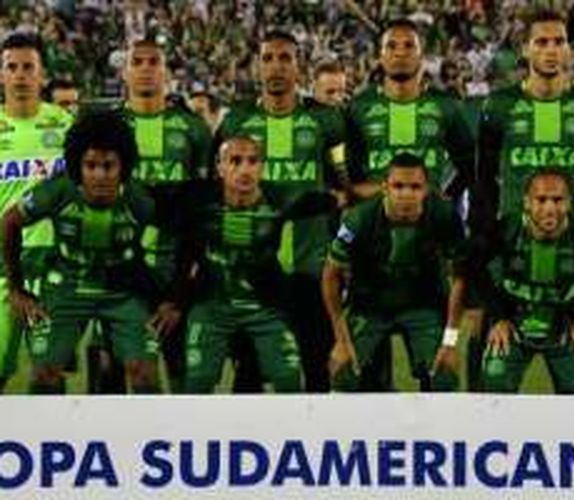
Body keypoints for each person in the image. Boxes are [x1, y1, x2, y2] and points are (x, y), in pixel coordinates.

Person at [471, 9, 574, 387]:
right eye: (542, 42)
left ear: (569, 50)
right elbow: (483, 182)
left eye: (559, 42)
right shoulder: (498, 106)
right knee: (482, 383)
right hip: (509, 258)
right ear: (525, 49)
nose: (551, 50)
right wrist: (484, 236)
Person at [216, 30, 350, 393]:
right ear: (257, 67)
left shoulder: (328, 121)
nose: (276, 66)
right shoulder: (235, 122)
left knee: (316, 367)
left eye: (285, 58)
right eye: (268, 58)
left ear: (299, 66)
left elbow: (346, 190)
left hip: (313, 267)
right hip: (251, 269)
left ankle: (315, 446)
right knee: (249, 371)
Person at [1, 110, 166, 394]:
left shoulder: (139, 199)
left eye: (108, 166)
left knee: (144, 373)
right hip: (67, 287)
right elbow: (10, 222)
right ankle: (49, 436)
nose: (100, 175)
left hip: (123, 290)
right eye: (90, 165)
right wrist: (17, 288)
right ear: (78, 165)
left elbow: (181, 234)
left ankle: (149, 436)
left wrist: (171, 298)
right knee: (45, 372)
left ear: (123, 166)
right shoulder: (58, 190)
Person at [84, 38, 214, 395]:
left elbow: (202, 212)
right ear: (124, 72)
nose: (145, 69)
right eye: (137, 62)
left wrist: (186, 284)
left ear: (166, 72)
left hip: (175, 272)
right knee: (112, 369)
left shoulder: (193, 129)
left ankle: (180, 443)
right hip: (117, 269)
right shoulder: (106, 127)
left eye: (153, 62)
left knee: (180, 368)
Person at [180, 135, 338, 393]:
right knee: (198, 382)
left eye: (253, 161)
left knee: (288, 380)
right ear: (219, 167)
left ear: (262, 167)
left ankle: (288, 432)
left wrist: (338, 202)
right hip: (212, 307)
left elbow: (328, 204)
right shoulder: (199, 202)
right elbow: (183, 248)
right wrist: (176, 300)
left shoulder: (280, 199)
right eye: (235, 161)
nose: (245, 169)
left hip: (265, 307)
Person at [323, 153, 467, 392]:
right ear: (385, 188)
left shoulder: (445, 215)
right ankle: (355, 428)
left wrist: (450, 342)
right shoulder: (359, 219)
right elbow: (330, 275)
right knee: (344, 372)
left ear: (426, 190)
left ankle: (435, 429)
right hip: (369, 306)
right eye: (398, 186)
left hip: (424, 305)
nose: (406, 194)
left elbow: (460, 276)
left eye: (415, 187)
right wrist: (341, 340)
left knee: (443, 375)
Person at [477, 170, 574, 394]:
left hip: (564, 323)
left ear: (569, 203)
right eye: (541, 200)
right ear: (527, 203)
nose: (550, 208)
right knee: (495, 387)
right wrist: (499, 317)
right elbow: (477, 270)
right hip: (513, 321)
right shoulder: (506, 229)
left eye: (558, 200)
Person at [0, 32, 73, 392]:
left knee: (49, 372)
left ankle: (48, 447)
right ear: (1, 75)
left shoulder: (65, 125)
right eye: (11, 67)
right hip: (3, 262)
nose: (20, 75)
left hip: (53, 263)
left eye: (28, 67)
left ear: (41, 74)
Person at [347, 18, 475, 201]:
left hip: (430, 224)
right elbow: (350, 175)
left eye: (409, 46)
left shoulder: (445, 105)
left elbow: (470, 165)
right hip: (376, 224)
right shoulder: (359, 107)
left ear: (421, 56)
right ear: (380, 56)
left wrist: (447, 197)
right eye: (391, 46)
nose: (400, 53)